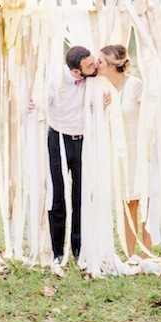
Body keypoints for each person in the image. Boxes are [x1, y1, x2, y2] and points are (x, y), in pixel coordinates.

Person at [46, 45, 98, 271]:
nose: (95, 66)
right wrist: (33, 105)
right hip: (59, 139)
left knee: (81, 195)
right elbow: (40, 104)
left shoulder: (95, 79)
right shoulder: (55, 80)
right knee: (58, 196)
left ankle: (78, 248)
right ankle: (57, 250)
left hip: (83, 141)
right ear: (76, 71)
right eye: (89, 65)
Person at [98, 44, 152, 259]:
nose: (96, 65)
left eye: (100, 61)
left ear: (112, 66)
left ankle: (146, 254)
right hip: (118, 154)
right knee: (127, 202)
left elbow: (151, 116)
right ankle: (130, 256)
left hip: (139, 151)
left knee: (144, 201)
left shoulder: (136, 86)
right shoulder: (100, 89)